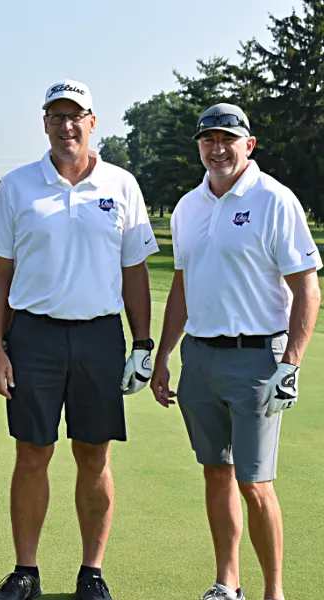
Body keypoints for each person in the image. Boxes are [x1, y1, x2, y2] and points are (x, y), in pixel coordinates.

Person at [0, 79, 159, 600]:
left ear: (92, 122)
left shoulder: (121, 184)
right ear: (45, 124)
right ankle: (26, 572)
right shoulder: (17, 186)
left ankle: (92, 573)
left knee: (94, 456)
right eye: (57, 117)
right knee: (32, 453)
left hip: (99, 336)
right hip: (32, 336)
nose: (66, 126)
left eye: (75, 116)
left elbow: (134, 271)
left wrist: (143, 343)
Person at [150, 103, 322, 600]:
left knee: (255, 483)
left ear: (249, 144)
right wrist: (163, 356)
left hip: (258, 360)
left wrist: (291, 363)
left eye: (228, 139)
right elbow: (182, 286)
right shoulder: (188, 207)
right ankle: (228, 583)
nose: (218, 148)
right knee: (216, 472)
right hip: (200, 358)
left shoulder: (274, 199)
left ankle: (274, 592)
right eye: (208, 139)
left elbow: (307, 288)